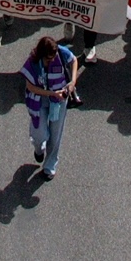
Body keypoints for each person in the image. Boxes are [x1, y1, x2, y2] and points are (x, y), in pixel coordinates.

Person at [21, 33, 82, 177]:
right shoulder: (33, 62)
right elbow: (30, 87)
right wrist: (51, 93)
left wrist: (72, 82)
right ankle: (39, 149)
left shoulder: (61, 52)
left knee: (56, 134)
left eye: (53, 57)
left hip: (59, 101)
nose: (52, 60)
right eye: (49, 59)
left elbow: (73, 60)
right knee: (39, 133)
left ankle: (49, 166)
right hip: (40, 100)